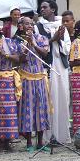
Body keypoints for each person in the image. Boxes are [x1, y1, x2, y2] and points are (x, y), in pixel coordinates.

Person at [35, 0, 72, 144]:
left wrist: (61, 40)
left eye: (45, 7)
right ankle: (48, 136)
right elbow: (38, 46)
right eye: (41, 7)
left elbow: (68, 48)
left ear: (53, 10)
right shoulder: (38, 27)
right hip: (47, 66)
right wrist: (52, 39)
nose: (42, 9)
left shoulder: (61, 25)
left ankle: (62, 136)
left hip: (61, 67)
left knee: (63, 98)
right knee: (49, 98)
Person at [17, 17, 51, 153]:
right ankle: (29, 142)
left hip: (40, 78)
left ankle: (41, 142)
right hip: (26, 79)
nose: (30, 26)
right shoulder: (17, 41)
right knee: (28, 110)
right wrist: (27, 45)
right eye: (27, 24)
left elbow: (44, 53)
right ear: (21, 26)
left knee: (40, 109)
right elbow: (21, 59)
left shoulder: (41, 38)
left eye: (31, 24)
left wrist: (33, 43)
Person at [0, 21, 21, 153]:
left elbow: (18, 58)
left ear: (0, 28)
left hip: (9, 79)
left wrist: (5, 54)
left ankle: (8, 141)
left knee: (9, 112)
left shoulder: (9, 42)